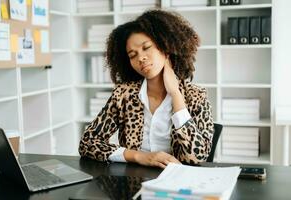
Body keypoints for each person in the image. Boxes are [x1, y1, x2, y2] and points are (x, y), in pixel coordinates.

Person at [79, 9, 214, 168]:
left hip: (179, 183)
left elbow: (196, 157)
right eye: (132, 55)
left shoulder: (196, 96)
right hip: (133, 180)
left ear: (165, 47)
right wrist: (139, 156)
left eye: (146, 47)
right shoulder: (124, 95)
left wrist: (176, 94)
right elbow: (88, 143)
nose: (140, 58)